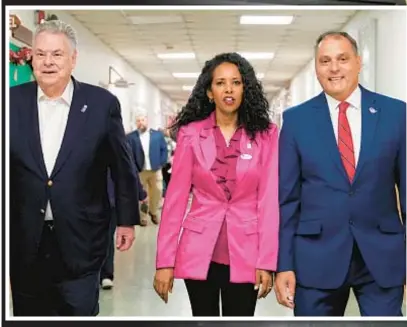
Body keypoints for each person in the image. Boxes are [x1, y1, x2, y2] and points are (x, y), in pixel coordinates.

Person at [9, 20, 140, 316]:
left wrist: (126, 220)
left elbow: (122, 167)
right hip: (25, 240)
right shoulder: (11, 102)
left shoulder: (100, 104)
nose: (47, 62)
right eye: (40, 54)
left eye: (57, 54)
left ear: (73, 59)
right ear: (31, 57)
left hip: (82, 240)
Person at [275, 31, 406, 316]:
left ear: (359, 63)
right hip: (315, 259)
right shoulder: (296, 120)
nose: (334, 68)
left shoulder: (396, 114)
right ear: (316, 68)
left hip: (382, 257)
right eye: (325, 61)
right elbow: (287, 200)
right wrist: (284, 264)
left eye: (342, 59)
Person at [153, 52, 279, 316]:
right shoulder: (190, 134)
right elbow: (175, 202)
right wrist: (164, 261)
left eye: (236, 82)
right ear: (210, 92)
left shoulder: (266, 135)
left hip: (247, 251)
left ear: (246, 88)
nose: (228, 89)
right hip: (199, 249)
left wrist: (267, 261)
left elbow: (269, 201)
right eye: (220, 83)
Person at [100, 170, 147, 290]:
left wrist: (140, 193)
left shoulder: (117, 150)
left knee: (107, 236)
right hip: (83, 199)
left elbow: (128, 168)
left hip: (110, 200)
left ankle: (106, 274)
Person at [127, 115, 168, 226]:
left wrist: (162, 162)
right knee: (142, 195)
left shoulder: (157, 135)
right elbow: (129, 154)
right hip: (140, 170)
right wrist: (134, 168)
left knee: (158, 190)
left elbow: (164, 149)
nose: (141, 122)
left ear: (147, 121)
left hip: (155, 169)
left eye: (143, 120)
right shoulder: (131, 137)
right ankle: (143, 216)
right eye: (138, 120)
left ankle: (153, 211)